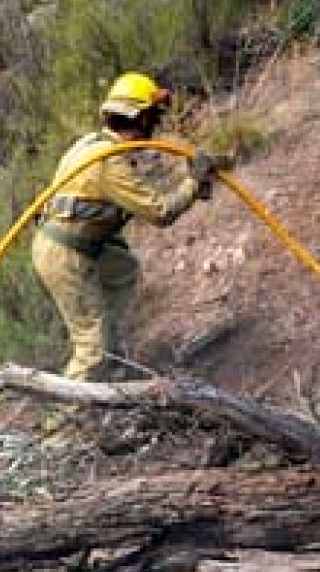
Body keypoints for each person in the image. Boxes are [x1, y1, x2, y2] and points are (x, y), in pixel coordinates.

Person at [33, 72, 222, 381]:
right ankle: (64, 416)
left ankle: (113, 356)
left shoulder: (90, 144)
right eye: (154, 117)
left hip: (75, 245)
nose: (157, 124)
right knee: (92, 348)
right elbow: (160, 212)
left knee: (122, 271)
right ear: (141, 118)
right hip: (66, 255)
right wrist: (194, 184)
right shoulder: (109, 162)